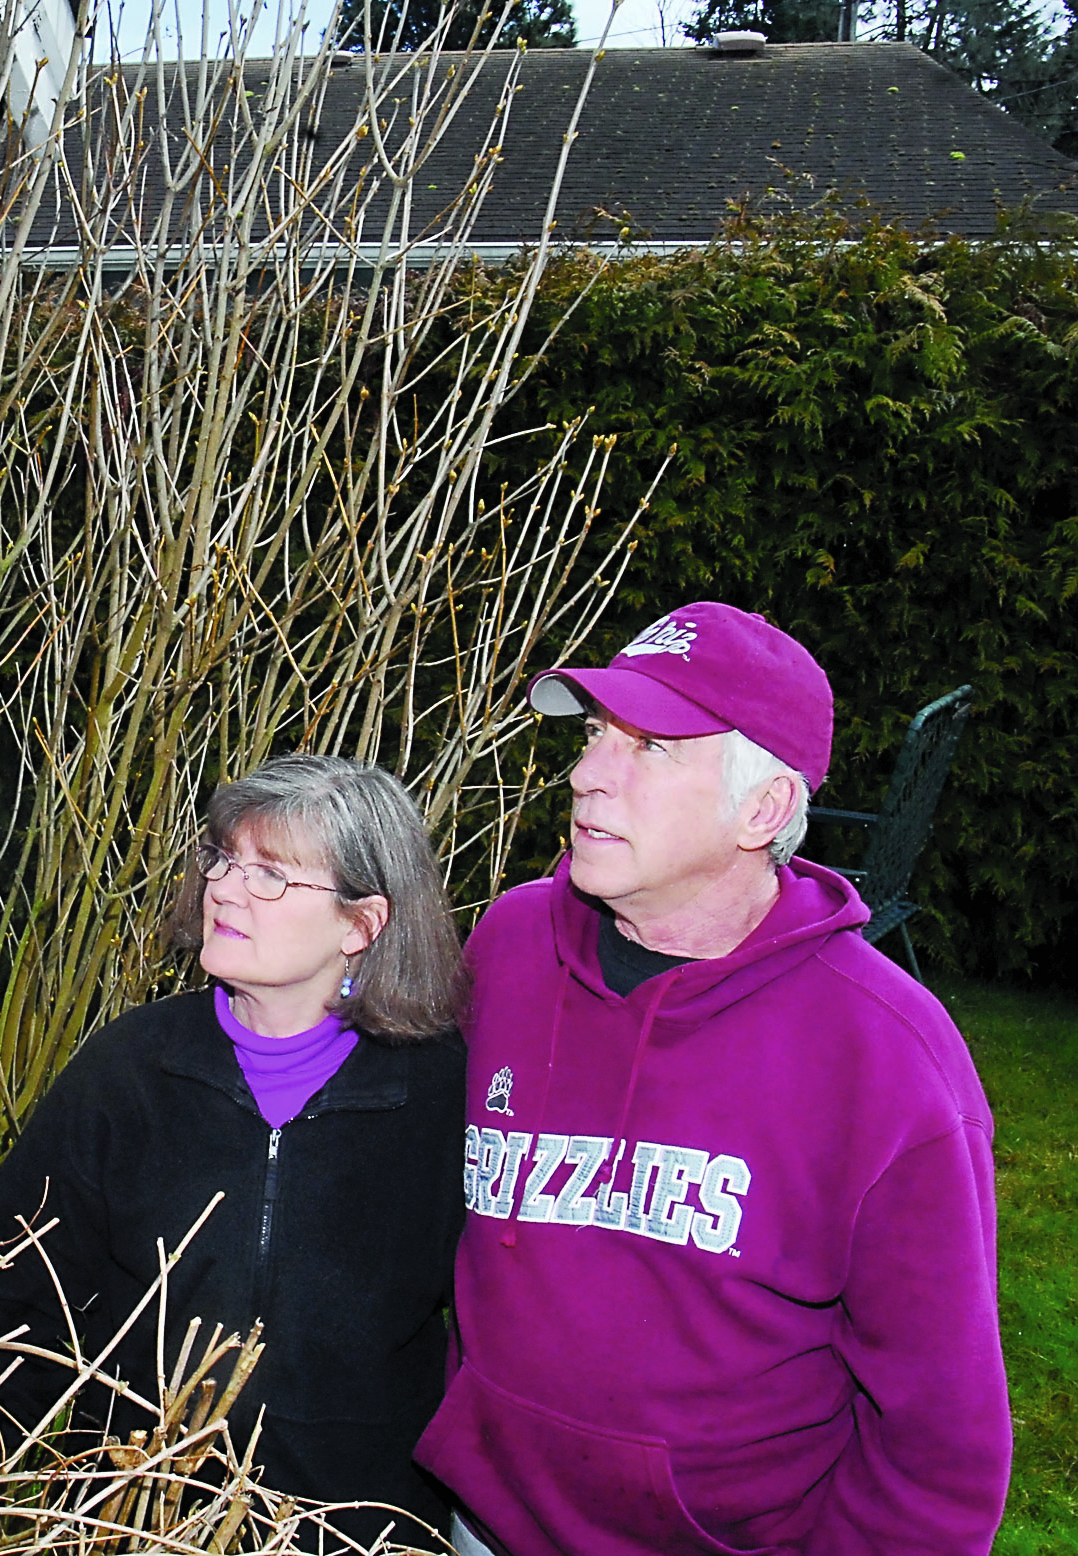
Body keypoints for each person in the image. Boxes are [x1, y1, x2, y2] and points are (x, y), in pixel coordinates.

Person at [415, 602, 1010, 1556]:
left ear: (762, 808)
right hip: (478, 1524)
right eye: (597, 734)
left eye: (650, 747)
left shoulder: (886, 1060)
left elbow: (939, 1448)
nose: (586, 773)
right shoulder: (512, 946)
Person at [0, 754, 468, 1549]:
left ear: (360, 924)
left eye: (271, 875)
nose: (226, 890)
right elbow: (23, 1282)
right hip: (136, 1512)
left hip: (358, 1525)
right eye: (223, 859)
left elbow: (503, 1315)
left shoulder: (439, 1093)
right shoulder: (130, 1070)